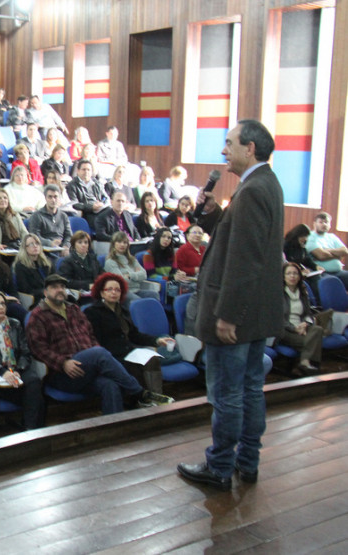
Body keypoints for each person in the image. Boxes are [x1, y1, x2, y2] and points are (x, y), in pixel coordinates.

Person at [177, 119, 284, 490]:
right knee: (251, 389)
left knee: (227, 393)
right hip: (256, 313)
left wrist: (226, 315)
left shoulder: (253, 189)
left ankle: (220, 466)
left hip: (237, 316)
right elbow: (237, 236)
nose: (224, 150)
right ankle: (247, 461)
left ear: (249, 148)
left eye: (229, 143)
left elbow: (246, 260)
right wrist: (211, 214)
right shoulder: (263, 184)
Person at [25, 273, 146, 415]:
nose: (59, 290)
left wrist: (95, 358)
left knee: (110, 385)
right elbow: (38, 349)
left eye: (62, 287)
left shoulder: (74, 309)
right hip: (62, 374)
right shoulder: (38, 315)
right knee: (99, 353)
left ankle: (113, 426)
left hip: (88, 368)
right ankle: (139, 392)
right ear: (45, 292)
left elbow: (90, 335)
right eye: (54, 287)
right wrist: (64, 363)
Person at [84, 273, 174, 399]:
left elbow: (135, 335)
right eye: (109, 289)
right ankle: (139, 401)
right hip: (110, 356)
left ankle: (156, 396)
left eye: (117, 290)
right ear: (101, 293)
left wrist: (157, 340)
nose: (113, 292)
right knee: (134, 365)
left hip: (129, 350)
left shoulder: (123, 311)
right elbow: (95, 342)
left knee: (152, 359)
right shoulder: (92, 312)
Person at [0, 290, 45, 429]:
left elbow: (25, 352)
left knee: (34, 382)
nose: (1, 307)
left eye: (3, 304)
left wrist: (17, 370)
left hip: (17, 369)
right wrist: (3, 372)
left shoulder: (15, 324)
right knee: (35, 398)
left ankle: (30, 430)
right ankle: (33, 431)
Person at [103, 232, 159, 301]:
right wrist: (137, 276)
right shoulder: (110, 262)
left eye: (125, 242)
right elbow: (121, 281)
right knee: (138, 302)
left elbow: (144, 274)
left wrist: (130, 275)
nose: (122, 245)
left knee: (154, 295)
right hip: (123, 292)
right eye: (119, 242)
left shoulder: (132, 259)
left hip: (136, 290)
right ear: (113, 244)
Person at [305, 212, 348, 289]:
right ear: (314, 224)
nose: (324, 224)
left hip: (338, 272)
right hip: (322, 273)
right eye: (321, 222)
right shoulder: (310, 237)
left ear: (330, 224)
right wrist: (337, 256)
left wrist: (328, 250)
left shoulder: (332, 237)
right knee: (332, 282)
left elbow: (345, 251)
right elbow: (322, 255)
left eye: (326, 222)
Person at [26, 184, 72, 253]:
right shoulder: (37, 216)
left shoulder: (63, 216)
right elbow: (34, 236)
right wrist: (50, 243)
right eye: (50, 197)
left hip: (62, 248)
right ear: (45, 198)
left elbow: (69, 235)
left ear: (59, 198)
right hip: (44, 250)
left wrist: (66, 246)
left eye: (55, 197)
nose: (53, 200)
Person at [283, 223, 324, 300]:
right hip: (291, 272)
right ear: (297, 235)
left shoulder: (301, 245)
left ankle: (320, 301)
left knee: (319, 277)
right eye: (303, 236)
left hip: (302, 272)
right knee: (314, 280)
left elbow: (306, 259)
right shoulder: (286, 245)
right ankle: (317, 302)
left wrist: (316, 266)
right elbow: (286, 263)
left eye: (306, 236)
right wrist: (299, 271)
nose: (305, 239)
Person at [66, 159, 107, 229]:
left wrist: (101, 203)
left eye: (88, 170)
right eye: (84, 169)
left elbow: (105, 197)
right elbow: (74, 204)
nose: (86, 172)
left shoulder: (97, 183)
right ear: (78, 171)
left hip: (100, 209)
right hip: (86, 212)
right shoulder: (72, 185)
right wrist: (91, 207)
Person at [14, 233, 52, 305]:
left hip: (49, 295)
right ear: (25, 248)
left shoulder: (46, 262)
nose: (35, 246)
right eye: (31, 244)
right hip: (35, 299)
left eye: (37, 243)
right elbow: (25, 290)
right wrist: (46, 292)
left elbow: (54, 280)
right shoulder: (20, 266)